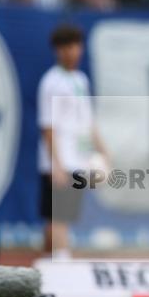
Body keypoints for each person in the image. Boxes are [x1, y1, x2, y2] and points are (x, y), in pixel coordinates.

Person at [37, 24, 109, 259]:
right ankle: (61, 260)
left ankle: (47, 262)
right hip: (59, 159)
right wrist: (56, 164)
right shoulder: (51, 82)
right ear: (58, 50)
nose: (73, 51)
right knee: (59, 215)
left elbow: (88, 121)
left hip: (77, 157)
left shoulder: (80, 79)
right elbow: (47, 126)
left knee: (61, 215)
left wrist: (103, 151)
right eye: (67, 47)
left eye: (77, 46)